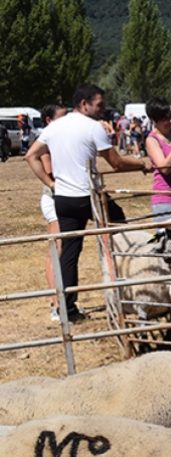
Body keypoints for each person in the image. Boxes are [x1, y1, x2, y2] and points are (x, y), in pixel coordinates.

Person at [26, 84, 147, 322]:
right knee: (122, 234)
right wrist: (142, 164)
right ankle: (130, 289)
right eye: (99, 104)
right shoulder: (93, 128)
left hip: (64, 198)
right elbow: (116, 163)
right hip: (89, 196)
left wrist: (51, 185)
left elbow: (30, 155)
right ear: (84, 104)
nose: (102, 109)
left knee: (70, 252)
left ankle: (66, 309)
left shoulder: (55, 127)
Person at [37, 104, 67, 320]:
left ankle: (64, 300)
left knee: (63, 250)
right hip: (54, 198)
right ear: (49, 120)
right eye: (62, 117)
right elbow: (50, 170)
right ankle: (55, 303)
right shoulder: (46, 142)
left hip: (65, 198)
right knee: (56, 251)